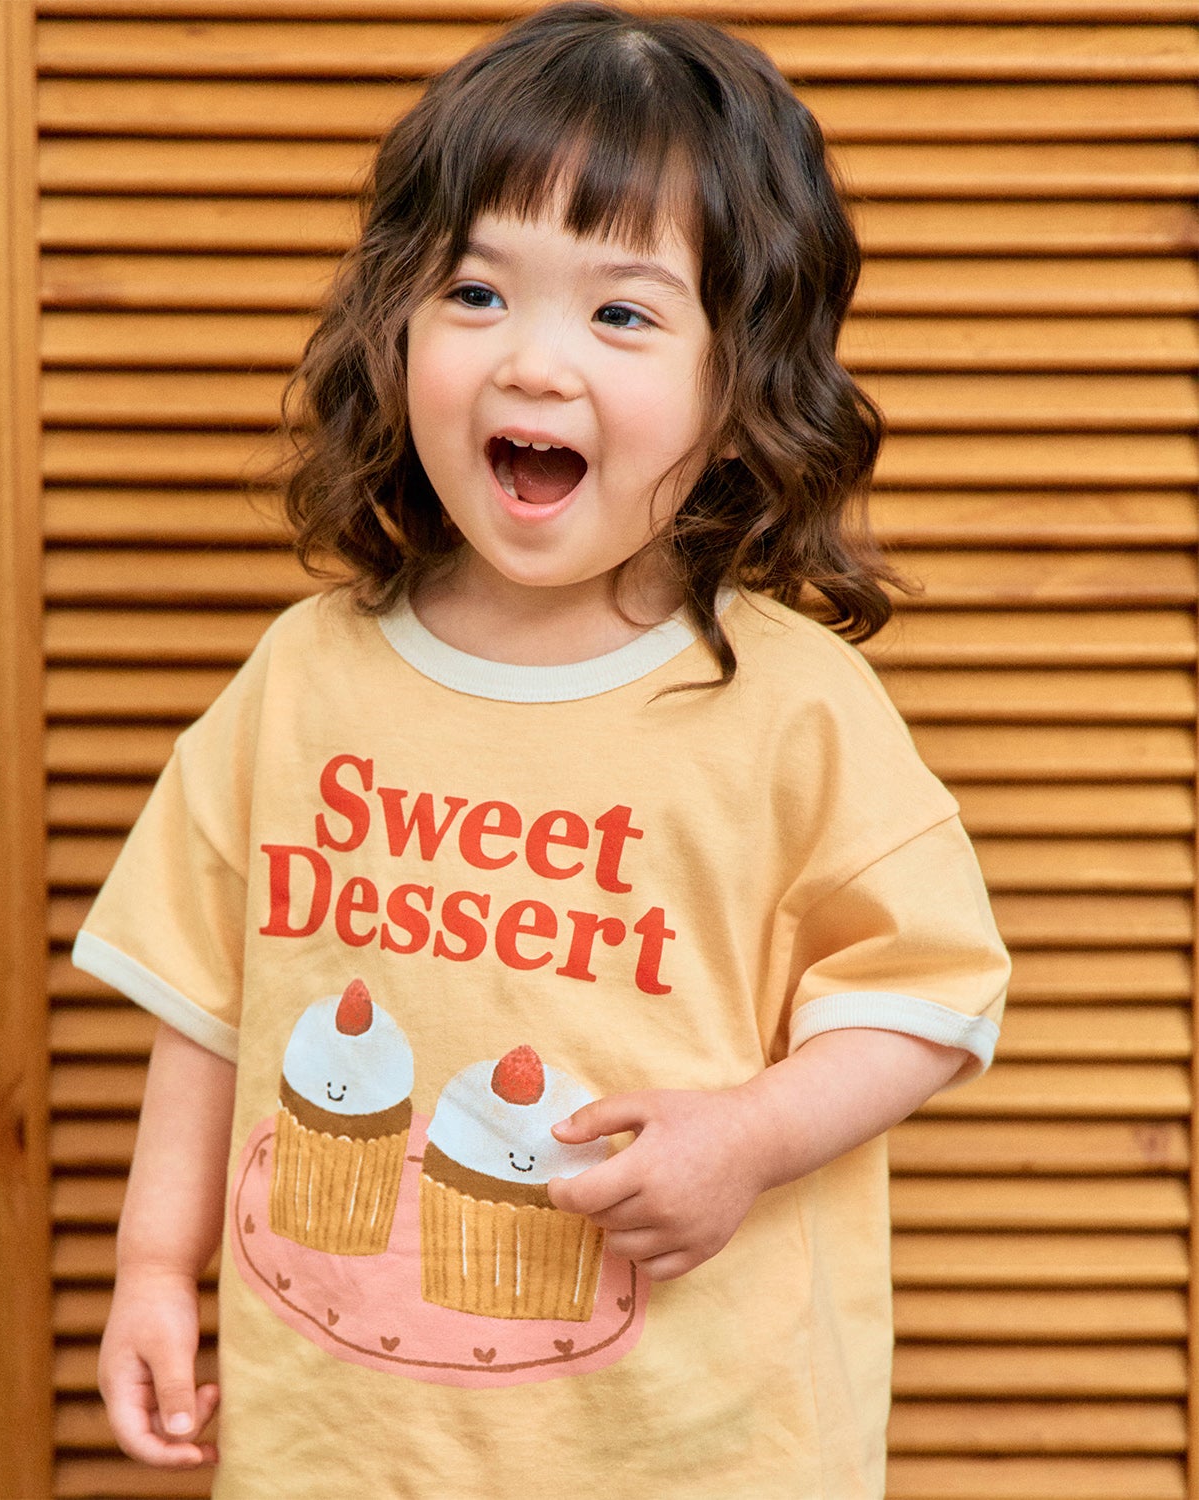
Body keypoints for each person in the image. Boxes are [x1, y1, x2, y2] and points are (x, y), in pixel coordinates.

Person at [72, 5, 1011, 1495]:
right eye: (476, 292)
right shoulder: (303, 679)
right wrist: (147, 1265)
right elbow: (205, 1002)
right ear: (394, 327)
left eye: (622, 315)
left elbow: (932, 999)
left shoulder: (795, 709)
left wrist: (752, 1136)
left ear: (740, 388)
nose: (533, 362)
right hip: (347, 1444)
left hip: (694, 1444)